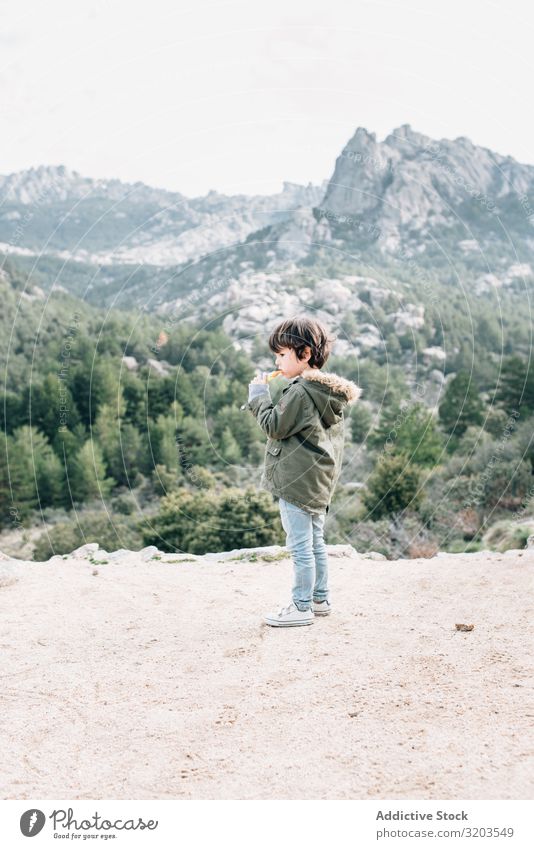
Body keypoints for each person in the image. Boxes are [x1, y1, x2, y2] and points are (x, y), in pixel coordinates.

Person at [240, 315, 362, 627]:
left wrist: (258, 395)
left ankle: (301, 606)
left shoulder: (299, 391)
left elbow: (274, 426)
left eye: (281, 354)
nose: (276, 360)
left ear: (304, 353)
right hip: (318, 480)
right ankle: (320, 600)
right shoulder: (323, 392)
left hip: (296, 480)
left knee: (300, 547)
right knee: (316, 541)